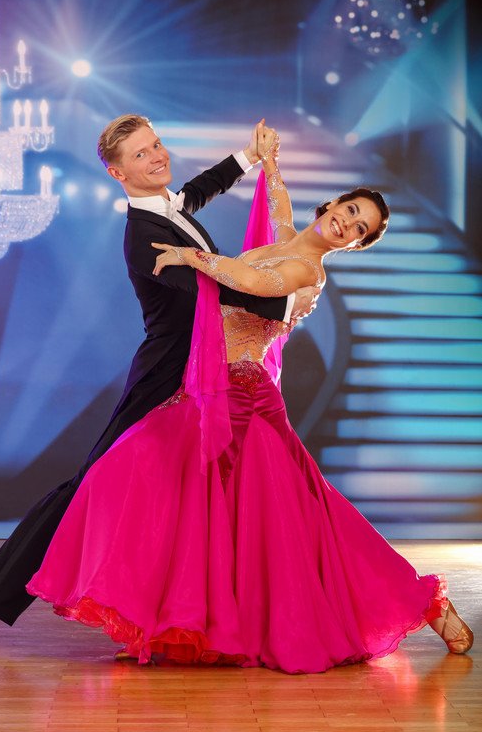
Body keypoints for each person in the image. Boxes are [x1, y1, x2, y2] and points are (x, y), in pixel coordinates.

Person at [26, 130, 473, 673]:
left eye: (360, 230)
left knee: (260, 512)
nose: (347, 224)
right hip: (214, 385)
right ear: (332, 203)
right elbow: (281, 210)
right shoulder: (289, 241)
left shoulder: (307, 271)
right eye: (350, 211)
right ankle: (175, 624)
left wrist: (190, 256)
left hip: (241, 394)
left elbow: (247, 281)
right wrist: (269, 161)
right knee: (225, 509)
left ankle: (417, 601)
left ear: (356, 246)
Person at [0, 115, 320, 651]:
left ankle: (199, 614)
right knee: (85, 489)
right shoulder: (144, 237)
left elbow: (198, 190)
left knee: (197, 490)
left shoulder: (168, 206)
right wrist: (285, 306)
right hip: (167, 374)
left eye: (156, 144)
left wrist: (248, 157)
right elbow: (213, 291)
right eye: (141, 155)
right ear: (119, 174)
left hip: (207, 366)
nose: (157, 157)